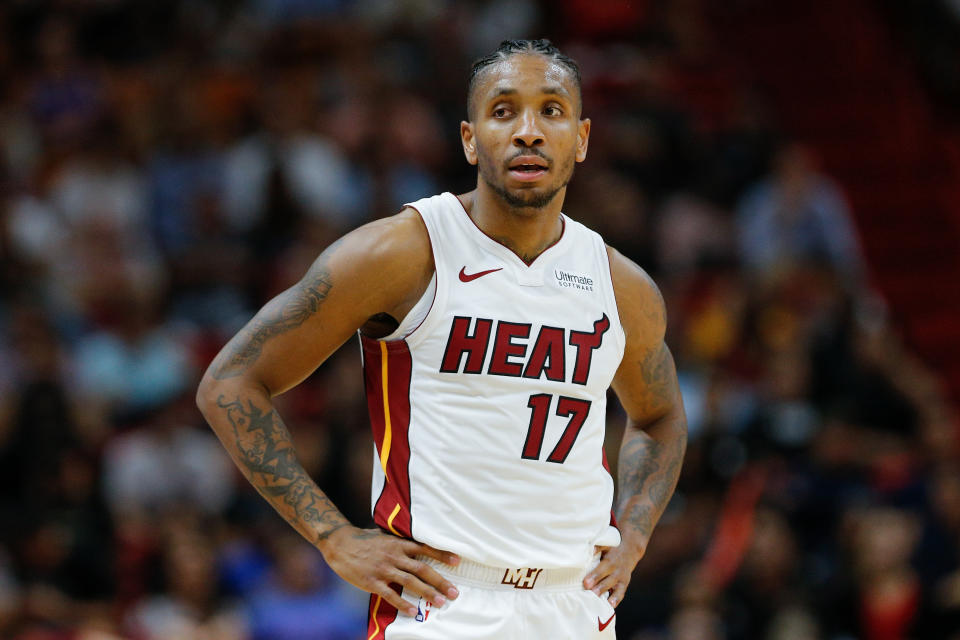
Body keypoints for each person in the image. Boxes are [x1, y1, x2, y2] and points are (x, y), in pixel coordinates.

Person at [197, 39, 687, 639]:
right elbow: (230, 382)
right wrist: (333, 536)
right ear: (469, 138)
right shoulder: (403, 252)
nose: (528, 131)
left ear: (581, 139)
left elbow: (659, 416)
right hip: (444, 602)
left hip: (576, 604)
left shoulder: (620, 285)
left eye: (551, 111)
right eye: (503, 111)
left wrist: (634, 534)